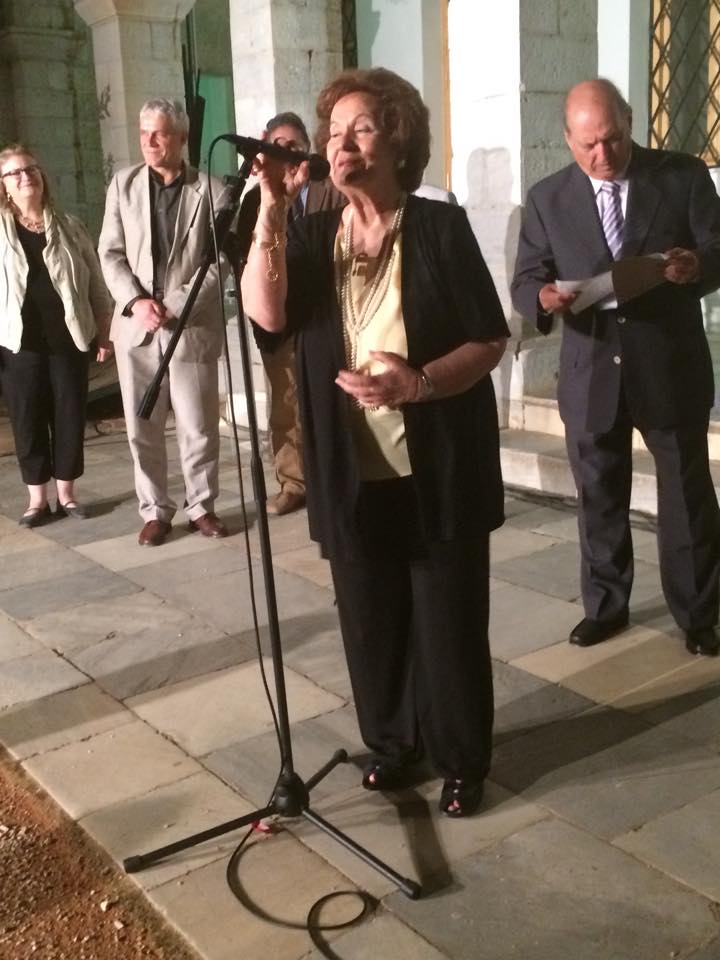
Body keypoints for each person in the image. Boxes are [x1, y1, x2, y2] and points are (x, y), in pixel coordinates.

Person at [242, 68, 509, 817]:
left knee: (448, 625)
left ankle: (461, 759)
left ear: (397, 141)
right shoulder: (308, 231)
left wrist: (418, 383)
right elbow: (268, 315)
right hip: (348, 468)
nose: (342, 144)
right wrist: (270, 209)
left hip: (437, 463)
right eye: (334, 133)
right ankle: (394, 744)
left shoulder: (439, 228)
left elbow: (489, 339)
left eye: (360, 129)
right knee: (371, 621)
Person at [511, 78, 720, 658]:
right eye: (588, 146)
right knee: (598, 495)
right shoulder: (548, 198)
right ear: (567, 140)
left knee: (686, 497)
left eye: (613, 139)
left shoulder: (681, 176)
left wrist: (695, 266)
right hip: (591, 368)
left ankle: (699, 615)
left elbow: (718, 249)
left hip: (668, 366)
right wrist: (542, 298)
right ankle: (605, 606)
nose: (602, 155)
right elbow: (526, 278)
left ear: (630, 122)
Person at [99, 98, 228, 547]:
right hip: (137, 327)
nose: (149, 142)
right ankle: (155, 511)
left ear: (182, 137)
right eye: (143, 133)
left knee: (198, 425)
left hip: (189, 325)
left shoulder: (212, 190)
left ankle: (201, 507)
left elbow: (219, 263)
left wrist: (172, 304)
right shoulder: (123, 185)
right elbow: (110, 253)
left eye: (160, 133)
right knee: (142, 428)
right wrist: (136, 301)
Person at [235, 111, 344, 515]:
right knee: (285, 404)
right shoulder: (253, 200)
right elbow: (243, 256)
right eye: (278, 147)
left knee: (329, 400)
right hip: (276, 317)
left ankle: (331, 478)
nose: (287, 155)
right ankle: (293, 483)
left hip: (322, 312)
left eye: (294, 147)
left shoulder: (329, 190)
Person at [0, 143, 112, 527]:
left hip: (68, 340)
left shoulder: (69, 226)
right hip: (19, 344)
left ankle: (67, 495)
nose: (25, 177)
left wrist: (104, 334)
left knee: (69, 415)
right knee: (27, 419)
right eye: (14, 173)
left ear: (42, 176)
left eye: (30, 169)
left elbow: (96, 285)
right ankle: (37, 500)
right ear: (4, 186)